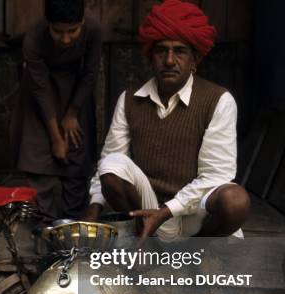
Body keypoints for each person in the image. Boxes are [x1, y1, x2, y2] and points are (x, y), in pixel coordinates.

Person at [85, 0, 250, 242]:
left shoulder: (219, 100)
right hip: (147, 210)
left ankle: (196, 251)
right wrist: (92, 213)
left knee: (235, 200)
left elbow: (216, 175)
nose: (170, 60)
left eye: (180, 51)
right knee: (111, 164)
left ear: (194, 58)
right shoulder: (130, 99)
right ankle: (145, 240)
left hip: (194, 215)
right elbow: (108, 164)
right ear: (150, 57)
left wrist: (168, 211)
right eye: (161, 50)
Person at [10, 0, 102, 225]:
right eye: (58, 32)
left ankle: (72, 222)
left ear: (82, 22)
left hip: (76, 94)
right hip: (39, 96)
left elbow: (90, 74)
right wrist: (55, 137)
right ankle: (44, 225)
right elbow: (40, 88)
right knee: (38, 158)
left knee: (76, 157)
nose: (66, 38)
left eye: (73, 31)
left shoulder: (93, 30)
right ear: (47, 24)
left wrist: (72, 115)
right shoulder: (33, 38)